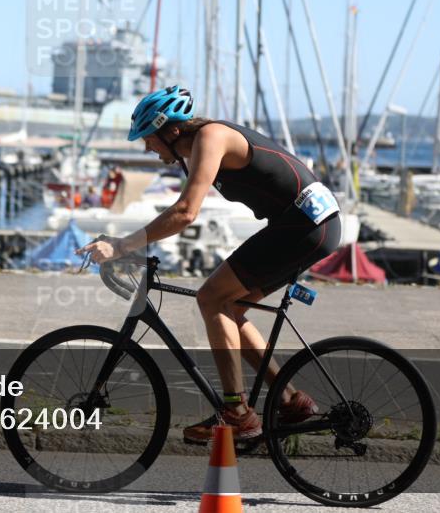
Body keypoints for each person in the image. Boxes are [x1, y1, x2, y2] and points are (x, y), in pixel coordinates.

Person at [77, 85, 341, 441]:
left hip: (307, 224)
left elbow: (186, 213)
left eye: (148, 138)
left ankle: (237, 413)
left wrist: (122, 247)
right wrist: (128, 245)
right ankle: (292, 401)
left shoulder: (211, 137)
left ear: (170, 130)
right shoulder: (194, 150)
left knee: (211, 298)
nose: (146, 147)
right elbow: (183, 213)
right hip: (304, 223)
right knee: (228, 305)